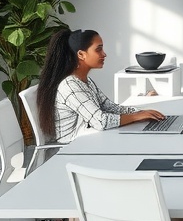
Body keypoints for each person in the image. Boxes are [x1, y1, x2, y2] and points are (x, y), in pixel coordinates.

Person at [37, 28, 165, 144]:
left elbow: (109, 107)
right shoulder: (69, 85)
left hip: (88, 139)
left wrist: (141, 112)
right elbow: (100, 121)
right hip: (72, 147)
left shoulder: (85, 81)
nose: (104, 54)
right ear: (81, 54)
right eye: (98, 49)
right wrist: (135, 116)